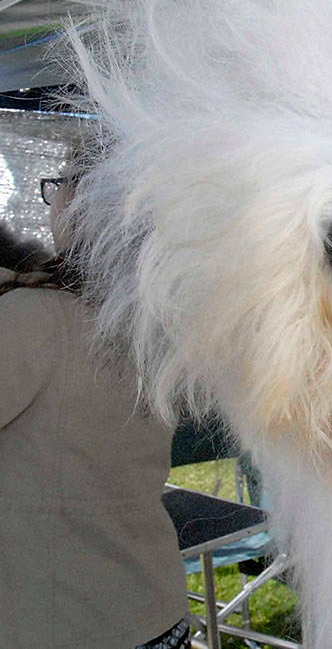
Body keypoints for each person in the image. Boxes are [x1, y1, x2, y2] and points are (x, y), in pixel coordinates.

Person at [0, 163, 190, 648]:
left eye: (57, 186)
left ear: (86, 203)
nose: (50, 203)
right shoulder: (159, 322)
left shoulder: (37, 317)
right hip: (150, 606)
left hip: (66, 618)